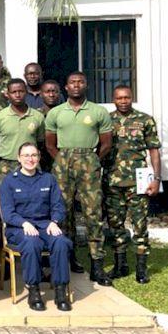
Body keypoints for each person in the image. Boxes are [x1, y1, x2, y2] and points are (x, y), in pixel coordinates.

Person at [45, 71, 113, 284]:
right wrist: (62, 161)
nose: (76, 85)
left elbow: (106, 143)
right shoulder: (56, 112)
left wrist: (91, 161)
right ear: (66, 87)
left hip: (89, 161)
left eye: (80, 82)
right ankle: (68, 258)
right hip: (63, 162)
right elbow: (49, 144)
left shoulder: (98, 111)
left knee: (93, 212)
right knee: (63, 213)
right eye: (72, 82)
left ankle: (97, 265)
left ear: (86, 85)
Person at [0, 143, 73, 312]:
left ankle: (60, 291)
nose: (30, 159)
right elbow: (8, 212)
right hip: (18, 227)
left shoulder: (48, 179)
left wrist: (54, 221)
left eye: (34, 155)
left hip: (45, 225)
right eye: (26, 155)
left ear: (39, 158)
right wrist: (24, 223)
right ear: (19, 158)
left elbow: (58, 206)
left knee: (61, 242)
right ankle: (34, 291)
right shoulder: (9, 181)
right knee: (32, 243)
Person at [103, 85, 162, 284]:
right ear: (113, 99)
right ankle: (120, 265)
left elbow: (154, 150)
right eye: (119, 98)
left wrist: (156, 179)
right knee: (115, 225)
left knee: (140, 225)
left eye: (127, 97)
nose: (123, 101)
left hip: (139, 182)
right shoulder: (106, 120)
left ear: (132, 98)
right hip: (112, 181)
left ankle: (141, 269)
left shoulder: (145, 120)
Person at [0, 79, 45, 184]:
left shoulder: (38, 117)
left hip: (31, 163)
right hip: (7, 165)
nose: (17, 95)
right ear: (7, 94)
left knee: (34, 193)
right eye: (13, 92)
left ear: (26, 92)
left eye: (21, 91)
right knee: (6, 194)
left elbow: (40, 141)